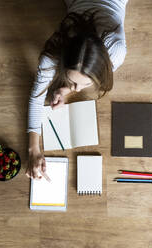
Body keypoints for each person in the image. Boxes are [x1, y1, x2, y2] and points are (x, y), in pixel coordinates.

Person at [26, 0, 128, 179]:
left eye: (85, 84)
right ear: (62, 62)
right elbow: (36, 97)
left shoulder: (116, 52)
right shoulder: (51, 57)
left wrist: (67, 88)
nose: (77, 89)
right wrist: (33, 149)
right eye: (72, 81)